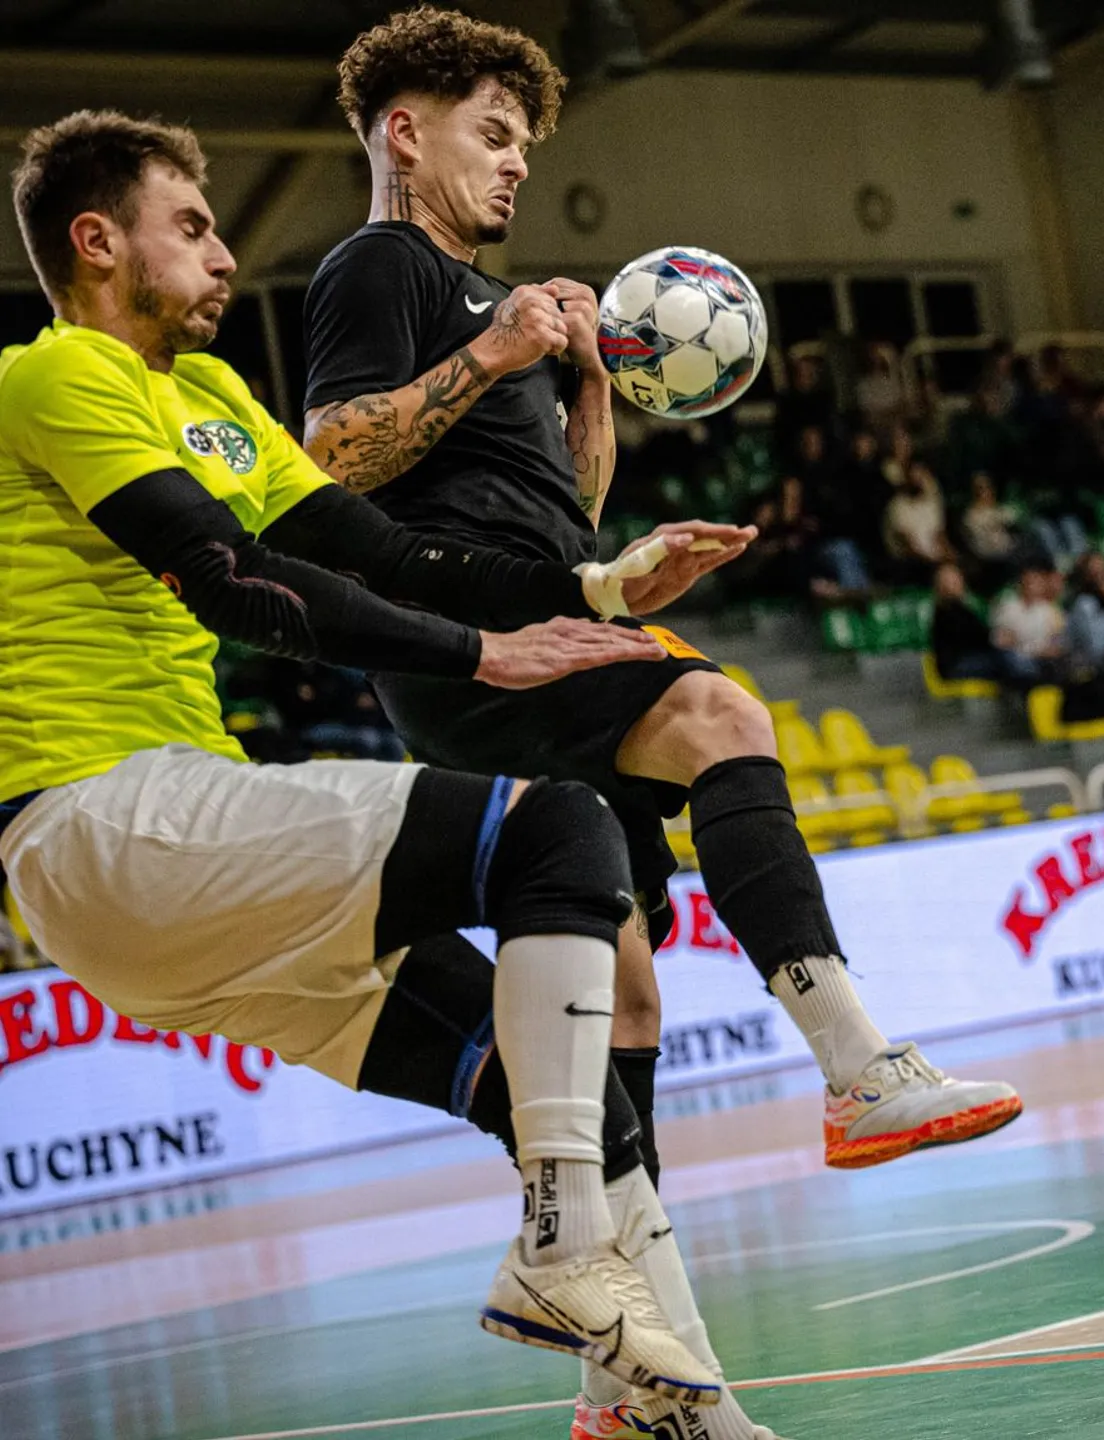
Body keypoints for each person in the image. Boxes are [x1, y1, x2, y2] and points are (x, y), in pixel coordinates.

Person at [298, 12, 1019, 1435]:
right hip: (481, 631)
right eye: (492, 135)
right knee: (714, 705)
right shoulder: (374, 267)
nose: (514, 168)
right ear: (404, 130)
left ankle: (633, 1385)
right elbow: (334, 453)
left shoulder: (489, 297)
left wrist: (578, 387)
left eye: (523, 144)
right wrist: (498, 349)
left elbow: (567, 505)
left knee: (614, 999)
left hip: (551, 590)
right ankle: (858, 1066)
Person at [0, 109, 741, 1413]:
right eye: (194, 227)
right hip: (100, 820)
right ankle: (561, 1251)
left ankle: (666, 1410)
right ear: (98, 240)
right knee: (557, 837)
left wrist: (588, 582)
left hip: (168, 881)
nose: (227, 256)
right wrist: (480, 654)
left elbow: (379, 553)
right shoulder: (53, 374)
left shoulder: (212, 395)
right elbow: (231, 580)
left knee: (556, 1096)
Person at [929, 561, 1043, 689]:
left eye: (957, 578)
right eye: (951, 581)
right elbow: (970, 638)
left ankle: (1029, 677)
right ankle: (1030, 676)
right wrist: (995, 638)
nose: (957, 583)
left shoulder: (962, 607)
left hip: (970, 658)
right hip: (956, 665)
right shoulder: (945, 611)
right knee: (1003, 660)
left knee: (1006, 659)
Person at [991, 562, 1068, 671]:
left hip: (1040, 661)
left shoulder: (1051, 612)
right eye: (1028, 582)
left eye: (1036, 582)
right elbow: (1001, 640)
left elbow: (1055, 645)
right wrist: (1031, 646)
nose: (1031, 586)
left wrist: (1021, 641)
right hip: (1012, 658)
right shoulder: (1007, 606)